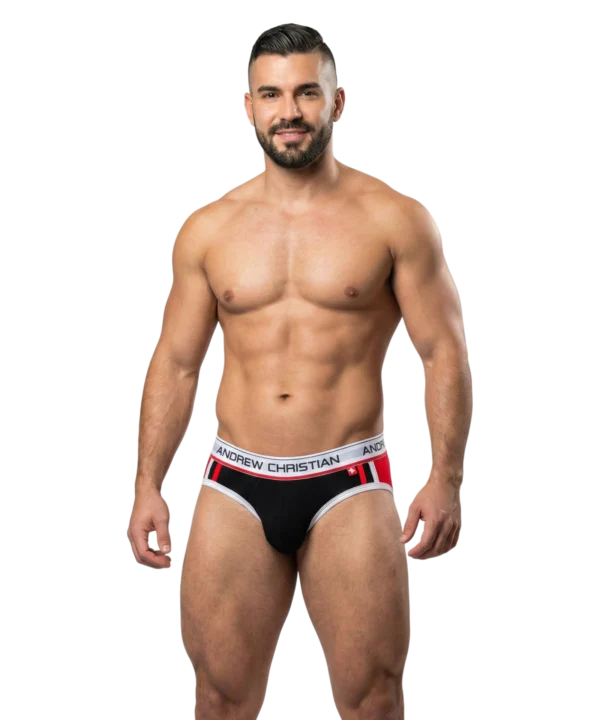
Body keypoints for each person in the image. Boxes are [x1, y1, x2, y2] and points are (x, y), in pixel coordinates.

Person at [127, 23, 472, 720]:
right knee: (219, 697)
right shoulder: (209, 229)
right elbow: (178, 363)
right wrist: (147, 486)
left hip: (348, 477)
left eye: (307, 92)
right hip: (234, 478)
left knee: (373, 699)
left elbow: (442, 352)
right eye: (272, 95)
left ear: (339, 101)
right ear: (248, 107)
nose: (289, 111)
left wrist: (446, 478)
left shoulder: (395, 220)